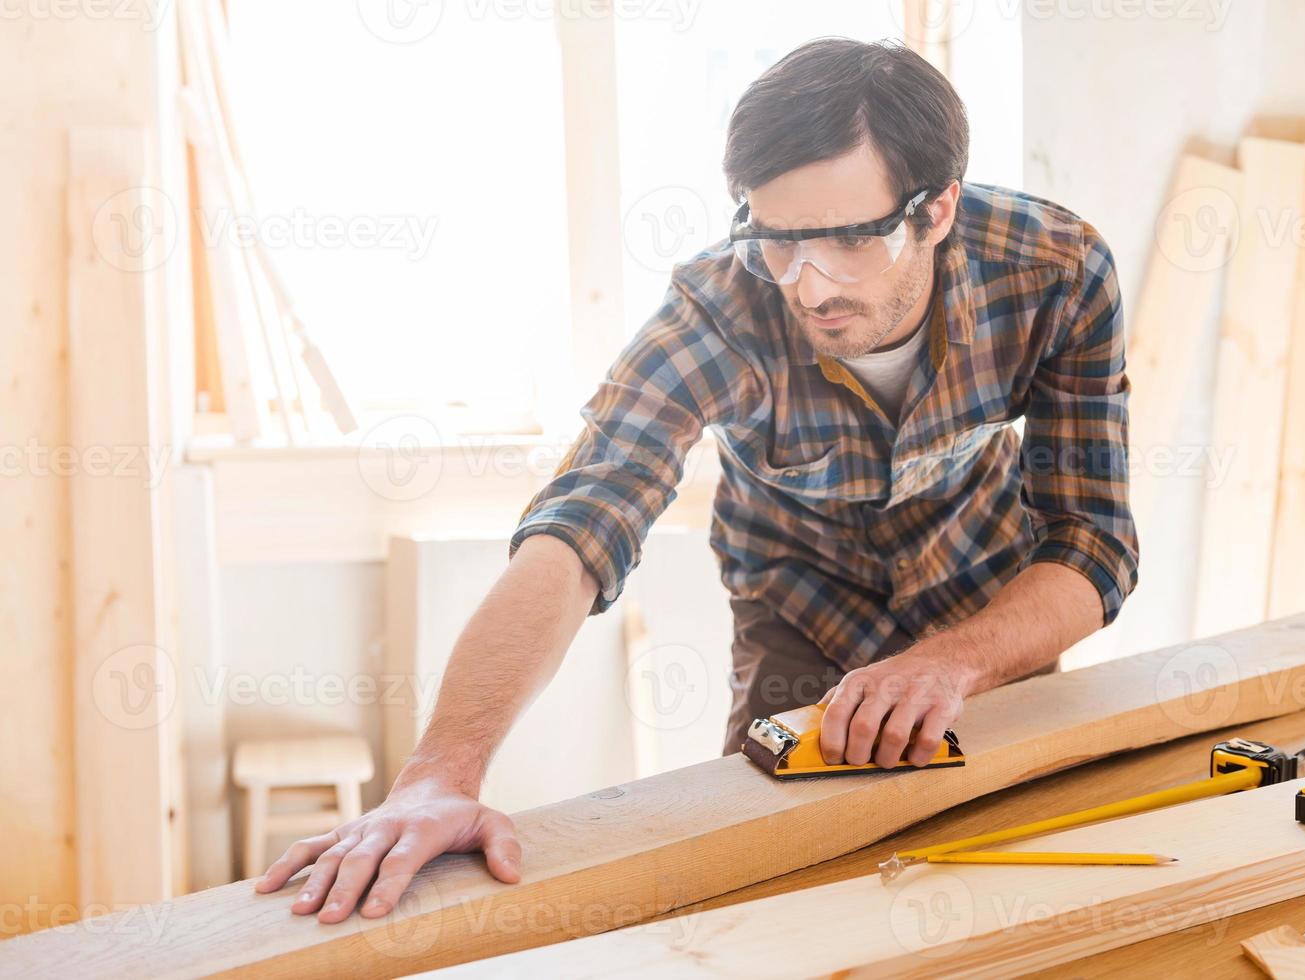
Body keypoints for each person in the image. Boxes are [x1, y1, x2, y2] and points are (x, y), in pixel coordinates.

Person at [257, 37, 1138, 923]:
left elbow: (1091, 542)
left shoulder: (1054, 273)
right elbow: (581, 524)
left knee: (1006, 885)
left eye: (849, 240)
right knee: (772, 903)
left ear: (937, 208)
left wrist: (951, 663)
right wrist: (438, 773)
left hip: (983, 608)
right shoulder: (721, 309)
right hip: (798, 610)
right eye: (778, 242)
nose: (809, 284)